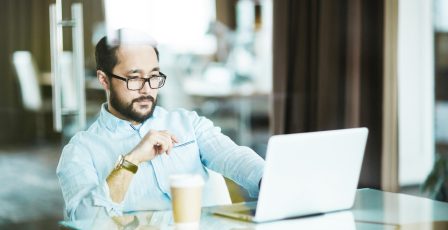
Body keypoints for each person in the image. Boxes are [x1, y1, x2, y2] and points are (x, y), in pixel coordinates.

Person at [56, 29, 265, 221]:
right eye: (134, 78)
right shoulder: (81, 151)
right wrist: (131, 161)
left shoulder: (188, 124)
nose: (147, 89)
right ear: (104, 80)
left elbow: (234, 157)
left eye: (154, 76)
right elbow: (86, 220)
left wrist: (268, 180)